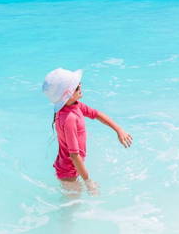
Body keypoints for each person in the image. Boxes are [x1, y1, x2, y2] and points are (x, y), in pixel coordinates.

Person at [42, 68, 132, 196]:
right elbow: (74, 155)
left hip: (71, 167)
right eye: (77, 87)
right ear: (68, 94)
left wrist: (118, 129)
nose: (80, 86)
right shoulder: (69, 119)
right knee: (72, 206)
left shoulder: (75, 105)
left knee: (74, 204)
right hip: (69, 173)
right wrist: (88, 181)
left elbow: (96, 114)